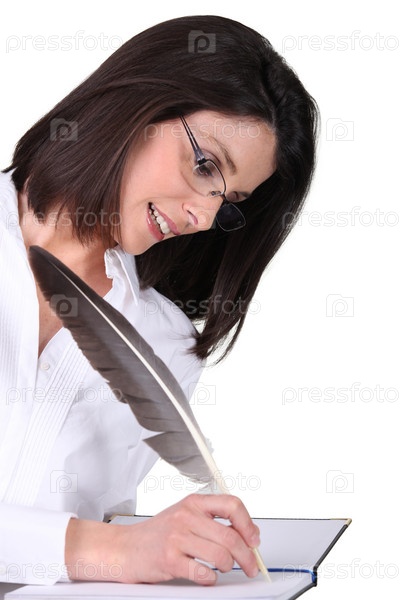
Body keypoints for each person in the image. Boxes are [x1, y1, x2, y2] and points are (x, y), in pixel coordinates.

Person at [0, 14, 318, 587]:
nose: (204, 215)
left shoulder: (165, 343)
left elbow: (100, 563)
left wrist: (165, 552)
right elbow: (108, 549)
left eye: (229, 200)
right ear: (140, 103)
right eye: (205, 165)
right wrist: (110, 548)